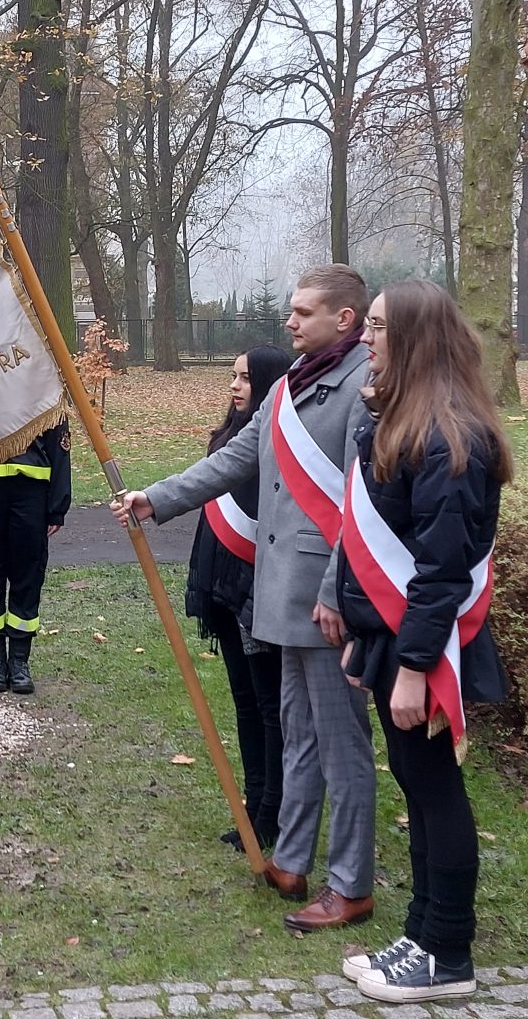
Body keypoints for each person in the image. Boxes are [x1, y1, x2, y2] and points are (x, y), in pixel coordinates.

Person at [112, 265, 375, 932]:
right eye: (291, 310)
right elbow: (234, 461)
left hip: (324, 600)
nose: (290, 322)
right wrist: (157, 498)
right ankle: (291, 858)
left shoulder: (364, 385)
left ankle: (352, 884)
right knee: (299, 738)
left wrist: (334, 592)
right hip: (277, 593)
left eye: (304, 312)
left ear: (344, 319)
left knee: (342, 747)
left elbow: (358, 504)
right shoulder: (291, 383)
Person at [335, 281, 512, 1003]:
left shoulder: (452, 437)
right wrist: (365, 641)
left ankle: (448, 953)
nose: (366, 338)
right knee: (416, 782)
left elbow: (439, 571)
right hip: (399, 639)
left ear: (411, 338)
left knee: (437, 791)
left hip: (428, 647)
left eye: (377, 327)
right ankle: (421, 933)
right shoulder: (407, 420)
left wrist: (412, 668)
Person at [185, 345, 292, 852]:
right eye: (233, 376)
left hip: (260, 593)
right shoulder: (227, 438)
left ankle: (274, 811)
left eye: (246, 379)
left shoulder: (280, 443)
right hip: (225, 588)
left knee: (270, 706)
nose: (234, 386)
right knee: (245, 703)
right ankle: (254, 804)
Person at [0, 418, 71, 695]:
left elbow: (60, 440)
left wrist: (57, 506)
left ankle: (19, 662)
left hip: (31, 489)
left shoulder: (42, 378)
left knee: (27, 575)